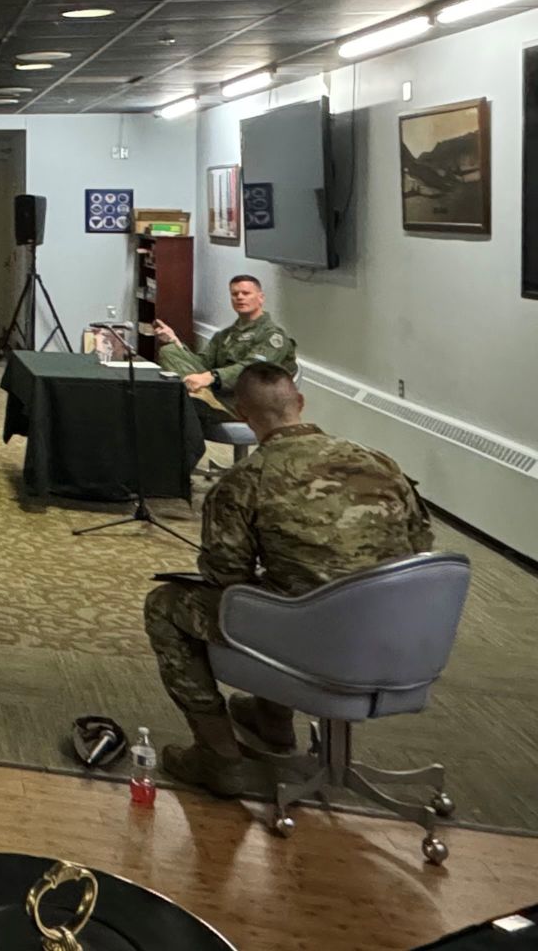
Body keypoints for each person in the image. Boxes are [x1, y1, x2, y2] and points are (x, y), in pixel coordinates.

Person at [142, 363, 432, 795]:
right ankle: (272, 721)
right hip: (398, 638)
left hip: (308, 640)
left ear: (242, 416)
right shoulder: (381, 463)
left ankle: (218, 755)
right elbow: (421, 548)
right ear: (300, 403)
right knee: (281, 593)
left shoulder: (244, 481)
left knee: (167, 606)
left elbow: (227, 575)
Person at [152, 275, 297, 412]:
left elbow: (252, 370)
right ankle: (201, 399)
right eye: (235, 294)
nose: (240, 297)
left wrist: (211, 377)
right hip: (217, 391)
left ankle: (201, 400)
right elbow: (203, 363)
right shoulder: (225, 335)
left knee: (171, 406)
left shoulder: (272, 335)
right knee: (169, 351)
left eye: (246, 293)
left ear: (260, 298)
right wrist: (175, 342)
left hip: (248, 398)